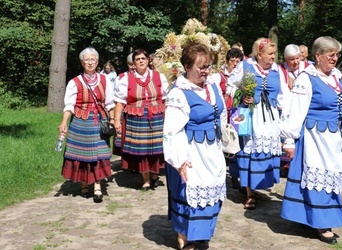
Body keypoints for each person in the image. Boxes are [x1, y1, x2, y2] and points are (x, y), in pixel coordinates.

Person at [279, 36, 342, 244]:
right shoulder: (307, 78)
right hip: (315, 138)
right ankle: (322, 224)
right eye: (331, 55)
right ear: (318, 56)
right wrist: (289, 140)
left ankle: (312, 218)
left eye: (337, 55)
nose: (335, 59)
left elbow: (336, 98)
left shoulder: (335, 76)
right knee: (318, 177)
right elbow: (295, 110)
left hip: (334, 137)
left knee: (329, 176)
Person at [163, 42, 227, 250]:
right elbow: (172, 130)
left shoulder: (212, 86)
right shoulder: (179, 93)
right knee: (190, 193)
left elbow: (222, 112)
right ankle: (186, 237)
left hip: (212, 149)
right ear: (187, 67)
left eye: (208, 66)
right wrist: (179, 160)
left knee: (212, 190)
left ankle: (201, 235)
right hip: (191, 151)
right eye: (201, 67)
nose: (206, 71)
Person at [228, 37, 283, 209]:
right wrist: (242, 96)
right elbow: (230, 87)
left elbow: (284, 95)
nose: (273, 57)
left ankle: (260, 184)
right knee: (250, 151)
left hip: (270, 117)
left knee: (265, 150)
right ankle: (249, 193)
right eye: (270, 54)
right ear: (259, 54)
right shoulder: (245, 66)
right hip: (251, 114)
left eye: (274, 53)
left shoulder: (277, 70)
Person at [58, 47, 115, 203]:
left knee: (99, 154)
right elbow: (69, 105)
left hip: (100, 122)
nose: (90, 62)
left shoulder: (105, 80)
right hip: (80, 122)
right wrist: (64, 122)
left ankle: (97, 186)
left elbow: (110, 103)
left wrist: (112, 120)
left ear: (97, 62)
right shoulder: (74, 82)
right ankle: (84, 183)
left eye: (93, 60)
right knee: (83, 155)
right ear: (82, 62)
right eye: (87, 60)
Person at [114, 49, 169, 190]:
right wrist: (116, 121)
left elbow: (165, 99)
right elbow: (120, 101)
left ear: (148, 60)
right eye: (137, 59)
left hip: (157, 116)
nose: (141, 61)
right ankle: (146, 179)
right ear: (134, 63)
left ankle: (155, 174)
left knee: (157, 149)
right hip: (136, 117)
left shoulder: (159, 77)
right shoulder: (126, 79)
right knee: (142, 151)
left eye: (143, 58)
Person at [210, 48, 243, 189]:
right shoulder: (219, 77)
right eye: (232, 61)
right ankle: (219, 174)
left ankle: (235, 176)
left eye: (237, 61)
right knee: (222, 144)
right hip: (224, 114)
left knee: (235, 144)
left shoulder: (243, 77)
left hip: (237, 114)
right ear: (227, 61)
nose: (235, 64)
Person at [278, 44, 312, 175]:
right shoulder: (281, 69)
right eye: (292, 59)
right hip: (287, 107)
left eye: (298, 58)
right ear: (286, 59)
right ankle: (285, 166)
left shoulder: (309, 69)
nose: (296, 62)